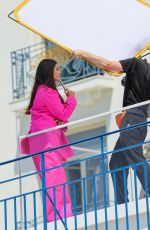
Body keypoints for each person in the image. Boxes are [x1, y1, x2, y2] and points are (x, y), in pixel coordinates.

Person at [73, 50, 150, 204]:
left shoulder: (135, 63)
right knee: (116, 163)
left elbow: (108, 65)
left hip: (133, 117)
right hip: (139, 121)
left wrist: (83, 54)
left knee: (132, 153)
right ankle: (122, 203)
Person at [23, 59, 77, 222]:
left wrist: (59, 120)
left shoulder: (40, 91)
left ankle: (57, 216)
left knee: (51, 180)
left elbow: (50, 115)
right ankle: (59, 217)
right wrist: (72, 99)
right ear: (48, 72)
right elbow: (62, 114)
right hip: (47, 143)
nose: (59, 71)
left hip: (38, 143)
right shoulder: (48, 92)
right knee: (55, 179)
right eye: (57, 69)